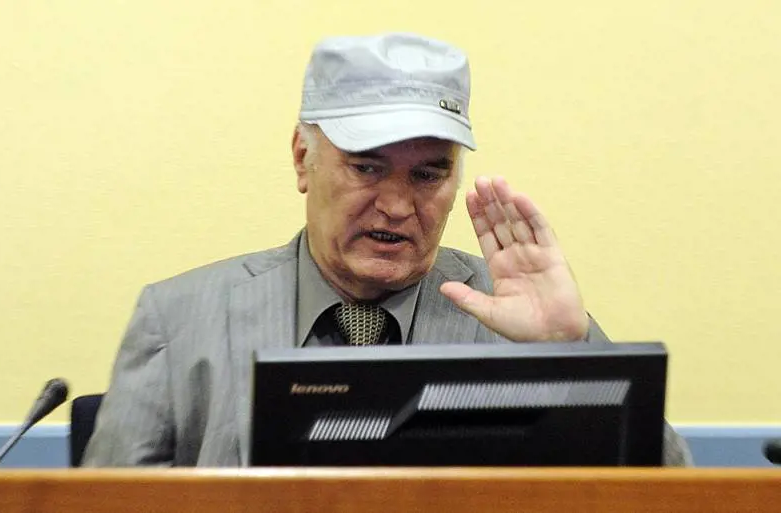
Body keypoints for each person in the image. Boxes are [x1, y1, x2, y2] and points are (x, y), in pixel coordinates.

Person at [83, 32, 691, 466]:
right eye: (367, 167)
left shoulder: (520, 320)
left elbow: (673, 496)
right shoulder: (178, 320)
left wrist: (569, 352)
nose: (398, 206)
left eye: (428, 174)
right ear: (302, 157)